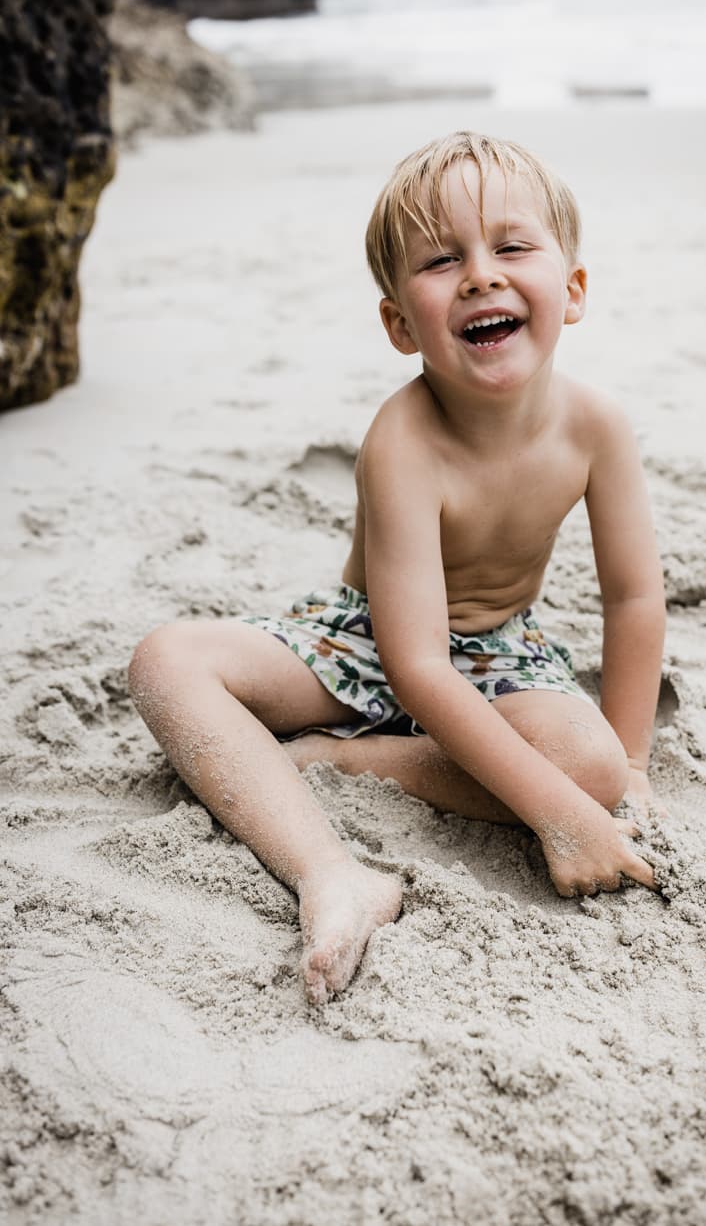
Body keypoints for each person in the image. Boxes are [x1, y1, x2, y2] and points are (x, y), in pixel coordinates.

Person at [128, 131, 666, 1005]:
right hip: (369, 637)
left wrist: (632, 766)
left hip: (499, 653)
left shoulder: (596, 426)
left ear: (571, 291)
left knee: (594, 764)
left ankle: (351, 762)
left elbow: (634, 596)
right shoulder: (404, 439)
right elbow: (413, 664)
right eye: (442, 259)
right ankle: (330, 873)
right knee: (165, 662)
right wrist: (557, 816)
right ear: (399, 323)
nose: (482, 275)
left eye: (513, 246)